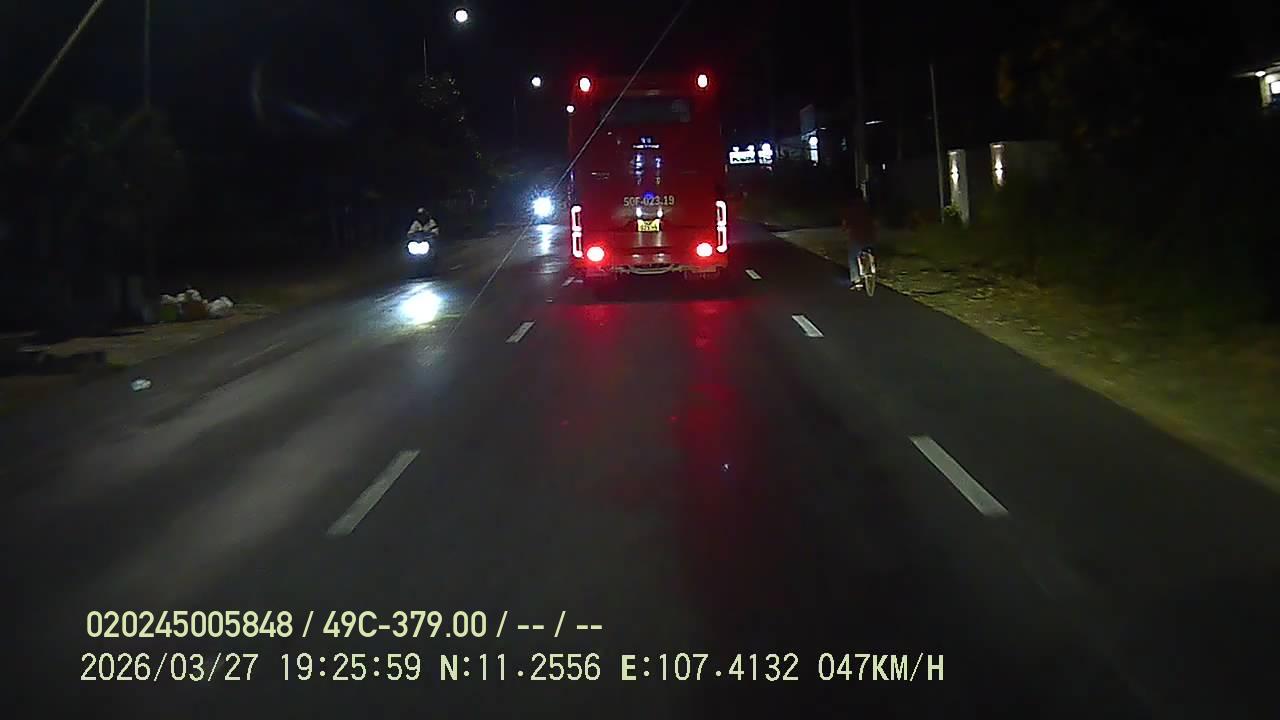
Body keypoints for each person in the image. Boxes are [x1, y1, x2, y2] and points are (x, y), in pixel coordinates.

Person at [842, 191, 876, 290]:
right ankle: (872, 263)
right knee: (870, 248)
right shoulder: (868, 207)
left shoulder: (850, 209)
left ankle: (857, 280)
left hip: (857, 238)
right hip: (870, 236)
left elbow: (845, 224)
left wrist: (845, 229)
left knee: (852, 257)